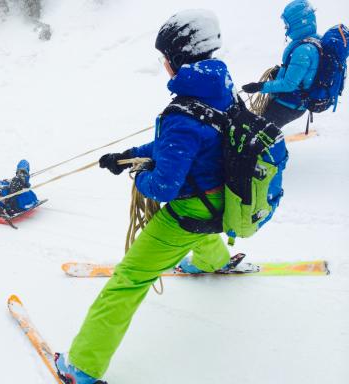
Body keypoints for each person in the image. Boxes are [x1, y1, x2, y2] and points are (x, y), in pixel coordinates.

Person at [54, 10, 245, 383]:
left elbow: (164, 186)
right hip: (225, 197)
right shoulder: (221, 89)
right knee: (198, 224)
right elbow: (179, 147)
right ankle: (211, 261)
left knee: (127, 280)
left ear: (175, 59)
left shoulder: (182, 113)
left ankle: (83, 367)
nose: (164, 65)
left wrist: (139, 173)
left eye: (165, 58)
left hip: (192, 207)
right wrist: (126, 156)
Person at [241, 0, 320, 128]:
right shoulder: (315, 41)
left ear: (298, 23)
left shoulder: (303, 50)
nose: (285, 28)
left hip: (287, 105)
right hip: (294, 103)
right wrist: (279, 73)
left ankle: (275, 147)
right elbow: (304, 75)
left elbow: (289, 84)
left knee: (259, 136)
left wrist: (259, 86)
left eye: (287, 24)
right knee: (261, 132)